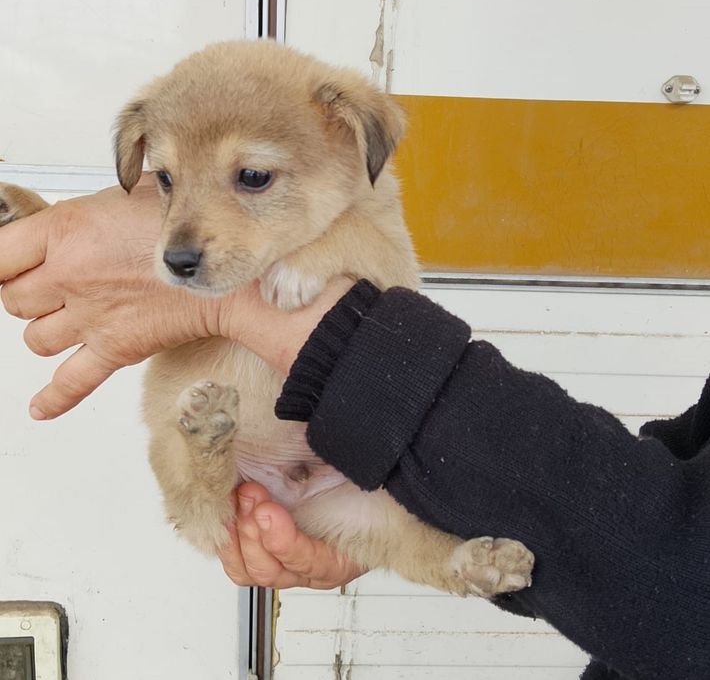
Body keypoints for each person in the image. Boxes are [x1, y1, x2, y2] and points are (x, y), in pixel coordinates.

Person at [0, 180, 708, 680]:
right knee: (204, 491)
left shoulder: (351, 202)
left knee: (381, 522)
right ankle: (209, 453)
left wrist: (245, 305)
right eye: (166, 176)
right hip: (277, 450)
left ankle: (454, 564)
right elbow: (672, 476)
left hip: (340, 461)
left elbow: (683, 585)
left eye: (252, 176)